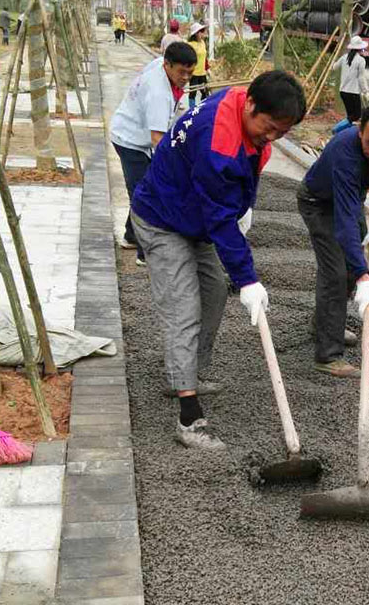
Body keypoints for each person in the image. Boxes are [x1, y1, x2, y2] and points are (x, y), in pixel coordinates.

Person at [130, 71, 307, 450]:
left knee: (212, 292)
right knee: (183, 309)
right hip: (162, 218)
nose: (273, 137)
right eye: (270, 127)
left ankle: (186, 371)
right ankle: (189, 418)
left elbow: (228, 203)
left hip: (192, 217)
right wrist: (247, 278)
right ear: (253, 106)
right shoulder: (218, 145)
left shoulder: (241, 101)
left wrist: (244, 207)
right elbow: (220, 218)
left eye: (282, 132)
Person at [298, 100, 369, 378]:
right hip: (318, 201)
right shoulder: (344, 149)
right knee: (336, 273)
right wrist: (365, 278)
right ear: (360, 130)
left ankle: (324, 323)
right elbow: (345, 224)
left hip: (350, 200)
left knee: (351, 267)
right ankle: (328, 355)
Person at [110, 41, 197, 266]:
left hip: (131, 131)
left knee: (144, 188)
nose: (186, 77)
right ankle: (144, 252)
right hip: (130, 141)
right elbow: (158, 139)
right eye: (181, 72)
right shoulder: (159, 93)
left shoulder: (160, 64)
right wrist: (175, 168)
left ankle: (130, 236)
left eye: (190, 72)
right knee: (145, 195)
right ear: (167, 65)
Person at [335, 35, 369, 124]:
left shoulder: (344, 57)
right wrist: (365, 91)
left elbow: (334, 67)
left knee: (350, 114)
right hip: (353, 92)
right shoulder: (361, 60)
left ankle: (346, 130)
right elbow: (361, 78)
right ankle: (338, 128)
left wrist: (333, 61)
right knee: (356, 115)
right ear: (360, 48)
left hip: (343, 91)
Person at [187, 22, 211, 110]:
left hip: (202, 73)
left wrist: (207, 68)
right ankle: (192, 110)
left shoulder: (203, 43)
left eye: (203, 31)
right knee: (193, 92)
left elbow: (205, 58)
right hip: (194, 73)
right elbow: (188, 59)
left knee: (205, 92)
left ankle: (203, 108)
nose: (203, 34)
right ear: (196, 33)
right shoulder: (190, 45)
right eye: (201, 32)